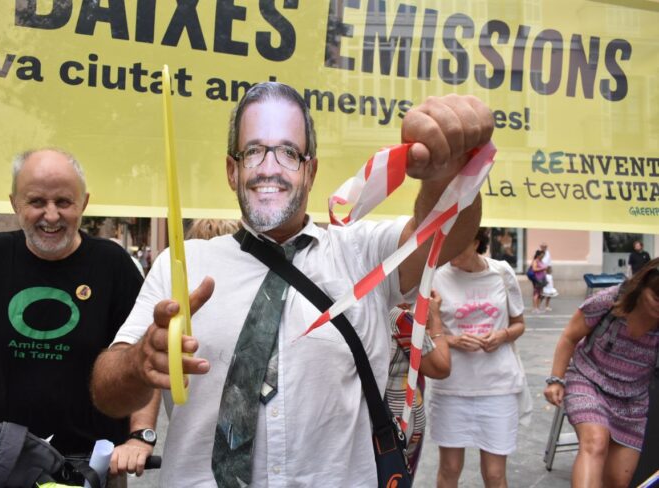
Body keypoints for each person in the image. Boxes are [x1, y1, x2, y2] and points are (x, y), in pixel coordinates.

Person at [90, 83, 494, 486]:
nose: (269, 168)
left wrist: (448, 175)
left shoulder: (361, 253)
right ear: (232, 170)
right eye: (253, 152)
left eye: (288, 153)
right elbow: (107, 394)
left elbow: (444, 234)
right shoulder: (181, 265)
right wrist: (138, 363)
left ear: (310, 171)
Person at [0, 149, 156, 486]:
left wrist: (140, 436)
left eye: (64, 202)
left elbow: (146, 352)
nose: (51, 215)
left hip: (94, 467)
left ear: (84, 203)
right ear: (14, 203)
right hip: (4, 462)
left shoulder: (113, 264)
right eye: (36, 201)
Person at [544, 257, 659, 488]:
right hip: (589, 380)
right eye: (656, 298)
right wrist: (556, 380)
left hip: (633, 399)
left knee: (617, 480)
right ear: (642, 286)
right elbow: (569, 336)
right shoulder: (610, 300)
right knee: (595, 442)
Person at [429, 227, 528, 488]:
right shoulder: (435, 277)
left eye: (457, 245)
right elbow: (423, 333)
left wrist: (502, 335)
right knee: (449, 468)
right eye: (446, 245)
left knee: (495, 473)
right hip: (452, 386)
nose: (450, 253)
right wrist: (452, 340)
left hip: (498, 386)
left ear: (476, 242)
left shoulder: (502, 273)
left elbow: (519, 324)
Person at [386, 293, 450, 476]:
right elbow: (441, 367)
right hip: (399, 422)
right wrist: (435, 319)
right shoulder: (399, 319)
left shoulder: (364, 310)